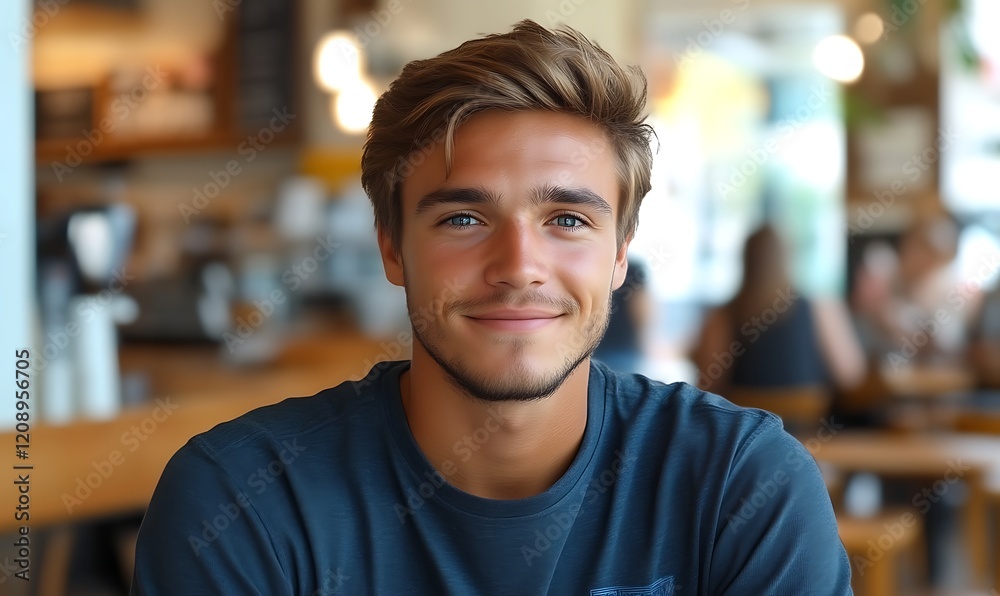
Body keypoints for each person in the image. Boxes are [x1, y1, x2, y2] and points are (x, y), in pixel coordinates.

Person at [132, 21, 851, 595]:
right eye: (463, 220)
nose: (518, 269)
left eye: (568, 220)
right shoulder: (242, 504)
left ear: (621, 252)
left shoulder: (744, 488)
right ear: (392, 247)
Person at [692, 224, 867, 395]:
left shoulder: (724, 315)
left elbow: (707, 384)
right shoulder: (818, 309)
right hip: (806, 422)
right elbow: (850, 375)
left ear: (745, 258)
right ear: (788, 259)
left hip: (745, 421)